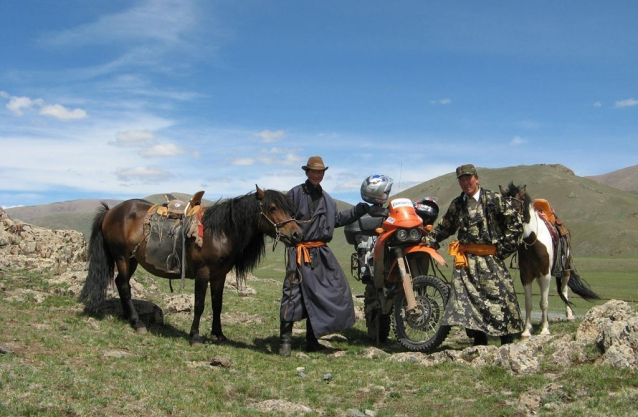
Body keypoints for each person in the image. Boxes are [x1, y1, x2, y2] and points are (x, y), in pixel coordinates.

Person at [422, 164, 524, 346]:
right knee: (470, 303)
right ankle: (479, 344)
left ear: (476, 178)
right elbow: (445, 227)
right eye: (461, 179)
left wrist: (503, 250)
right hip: (466, 263)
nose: (465, 182)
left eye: (468, 178)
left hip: (491, 260)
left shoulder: (494, 199)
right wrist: (428, 240)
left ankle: (506, 343)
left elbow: (515, 224)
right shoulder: (457, 205)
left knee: (500, 299)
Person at [279, 156, 370, 356]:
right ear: (307, 172)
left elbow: (336, 220)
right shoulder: (294, 194)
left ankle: (312, 340)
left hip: (321, 253)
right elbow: (283, 219)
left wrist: (357, 211)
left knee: (328, 292)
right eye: (313, 171)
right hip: (299, 252)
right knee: (292, 294)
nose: (317, 175)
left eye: (320, 172)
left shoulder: (328, 200)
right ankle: (285, 342)